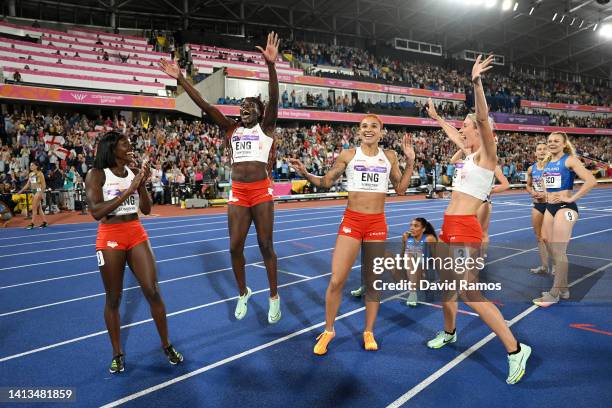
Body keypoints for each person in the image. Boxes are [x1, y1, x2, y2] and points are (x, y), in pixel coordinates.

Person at [159, 32, 282, 323]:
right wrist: (181, 78)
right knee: (234, 247)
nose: (244, 109)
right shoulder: (231, 130)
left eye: (250, 107)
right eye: (242, 107)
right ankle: (243, 292)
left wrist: (271, 66)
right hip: (239, 193)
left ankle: (274, 297)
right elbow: (204, 104)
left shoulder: (266, 128)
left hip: (261, 192)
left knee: (266, 245)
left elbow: (274, 97)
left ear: (260, 113)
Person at [427, 56, 531, 385]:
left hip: (464, 230)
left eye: (465, 126)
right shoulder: (469, 154)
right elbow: (451, 135)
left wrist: (476, 83)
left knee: (471, 293)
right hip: (448, 227)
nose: (462, 129)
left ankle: (515, 350)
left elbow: (483, 117)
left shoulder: (487, 154)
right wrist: (437, 118)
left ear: (478, 131)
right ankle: (449, 331)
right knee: (447, 287)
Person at [289, 114, 415, 355]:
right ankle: (328, 330)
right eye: (364, 126)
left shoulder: (389, 157)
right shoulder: (348, 155)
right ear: (359, 131)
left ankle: (368, 331)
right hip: (352, 222)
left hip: (377, 223)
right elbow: (326, 182)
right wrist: (305, 172)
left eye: (373, 126)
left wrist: (410, 162)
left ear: (381, 131)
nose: (368, 130)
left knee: (372, 283)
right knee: (337, 280)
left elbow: (400, 189)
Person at [85, 131, 183, 374]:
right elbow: (96, 212)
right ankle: (117, 353)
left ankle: (166, 344)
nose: (130, 146)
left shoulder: (133, 172)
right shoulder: (96, 174)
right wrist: (129, 190)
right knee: (114, 298)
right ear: (111, 148)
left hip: (135, 232)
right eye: (125, 144)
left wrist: (141, 185)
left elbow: (147, 210)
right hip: (110, 237)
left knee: (153, 290)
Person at [533, 132, 596, 306]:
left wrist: (571, 198)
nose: (552, 143)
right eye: (550, 141)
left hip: (565, 208)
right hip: (550, 208)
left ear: (563, 144)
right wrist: (545, 195)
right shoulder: (546, 163)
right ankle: (564, 287)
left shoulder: (570, 160)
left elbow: (591, 180)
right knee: (546, 240)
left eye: (556, 141)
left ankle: (554, 293)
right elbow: (547, 183)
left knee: (559, 249)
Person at [526, 142, 550, 274]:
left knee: (549, 237)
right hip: (537, 204)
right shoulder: (531, 169)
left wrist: (545, 194)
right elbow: (528, 185)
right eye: (539, 149)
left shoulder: (552, 167)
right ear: (535, 153)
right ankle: (544, 266)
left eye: (544, 149)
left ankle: (557, 266)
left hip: (550, 204)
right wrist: (532, 192)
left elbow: (558, 187)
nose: (541, 151)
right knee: (539, 236)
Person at [401, 217, 437, 307]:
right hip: (412, 267)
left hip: (426, 267)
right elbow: (402, 253)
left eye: (416, 226)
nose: (412, 228)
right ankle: (413, 294)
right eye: (411, 225)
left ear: (423, 229)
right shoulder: (406, 237)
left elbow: (436, 256)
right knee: (409, 255)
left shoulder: (429, 239)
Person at [17, 162, 48, 229]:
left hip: (38, 191)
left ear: (36, 166)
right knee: (39, 209)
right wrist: (21, 191)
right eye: (30, 165)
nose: (31, 166)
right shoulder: (31, 174)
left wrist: (41, 193)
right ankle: (45, 222)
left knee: (34, 208)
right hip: (33, 192)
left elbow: (44, 185)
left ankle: (32, 223)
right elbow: (28, 185)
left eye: (32, 165)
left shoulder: (40, 174)